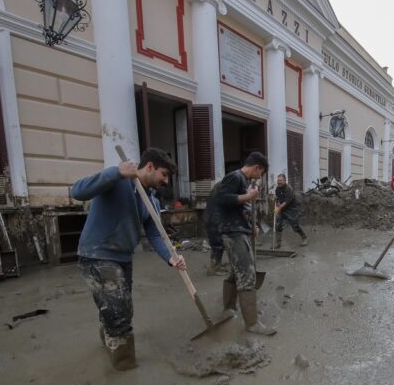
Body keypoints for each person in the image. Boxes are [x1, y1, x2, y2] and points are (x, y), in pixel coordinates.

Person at [71, 148, 187, 371]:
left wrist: (171, 258)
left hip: (123, 258)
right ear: (150, 167)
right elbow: (77, 191)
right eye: (163, 174)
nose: (165, 181)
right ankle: (125, 366)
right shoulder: (119, 180)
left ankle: (109, 334)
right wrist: (116, 172)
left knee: (120, 307)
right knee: (119, 312)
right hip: (97, 254)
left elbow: (154, 233)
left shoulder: (151, 201)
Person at [205, 152, 276, 336]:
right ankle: (252, 324)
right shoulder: (235, 177)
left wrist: (252, 226)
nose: (260, 177)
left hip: (240, 230)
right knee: (246, 274)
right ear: (257, 167)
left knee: (235, 272)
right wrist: (247, 197)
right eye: (261, 173)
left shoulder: (244, 181)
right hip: (232, 232)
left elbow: (241, 209)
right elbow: (222, 199)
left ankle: (229, 308)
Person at [274, 173, 307, 248]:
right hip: (282, 209)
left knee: (295, 225)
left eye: (281, 180)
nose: (279, 182)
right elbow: (279, 200)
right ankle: (278, 243)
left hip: (291, 209)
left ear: (285, 181)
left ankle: (304, 238)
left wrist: (278, 208)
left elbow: (286, 202)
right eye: (278, 180)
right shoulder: (277, 189)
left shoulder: (289, 189)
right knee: (278, 225)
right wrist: (277, 205)